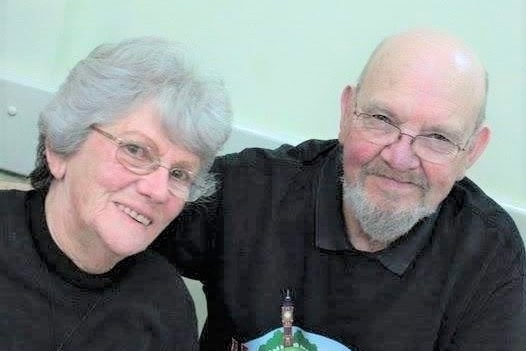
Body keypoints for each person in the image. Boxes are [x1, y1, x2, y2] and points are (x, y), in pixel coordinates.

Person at [155, 29, 526, 351]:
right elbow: (110, 244)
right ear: (348, 112)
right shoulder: (248, 191)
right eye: (382, 119)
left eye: (437, 138)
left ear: (472, 152)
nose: (399, 158)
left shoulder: (488, 256)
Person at [0, 37, 232, 350]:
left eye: (179, 174)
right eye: (136, 150)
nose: (157, 190)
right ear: (60, 148)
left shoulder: (166, 307)